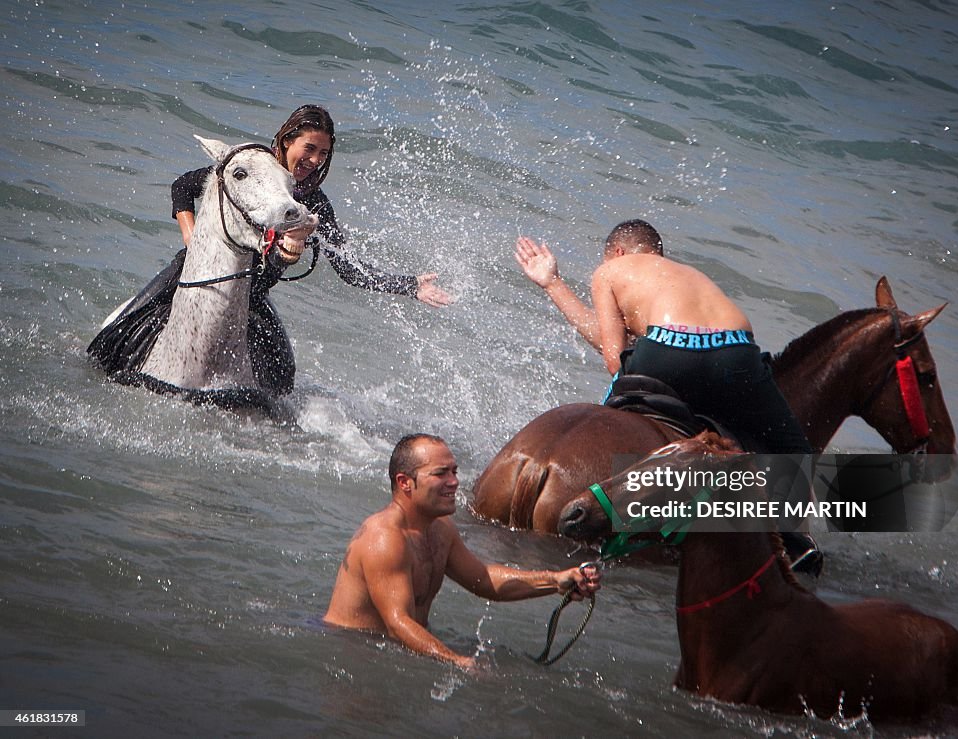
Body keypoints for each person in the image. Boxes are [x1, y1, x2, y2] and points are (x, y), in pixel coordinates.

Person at [517, 221, 821, 573]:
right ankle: (795, 547)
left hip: (668, 348)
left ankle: (618, 507)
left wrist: (553, 283)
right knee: (792, 450)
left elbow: (613, 356)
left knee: (618, 415)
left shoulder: (611, 270)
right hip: (737, 352)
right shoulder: (688, 275)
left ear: (617, 252)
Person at [323, 434, 601, 670]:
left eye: (454, 471)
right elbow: (398, 623)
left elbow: (483, 579)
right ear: (405, 482)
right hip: (353, 655)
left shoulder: (440, 528)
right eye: (440, 473)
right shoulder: (384, 538)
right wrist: (457, 662)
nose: (454, 482)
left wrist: (556, 581)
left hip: (400, 650)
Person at [171, 104, 451, 307]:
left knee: (283, 371)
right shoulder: (250, 170)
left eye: (323, 153)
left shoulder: (315, 203)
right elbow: (183, 186)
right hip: (197, 273)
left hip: (251, 297)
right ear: (287, 140)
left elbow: (349, 270)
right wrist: (191, 236)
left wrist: (410, 286)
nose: (315, 160)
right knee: (134, 316)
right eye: (309, 149)